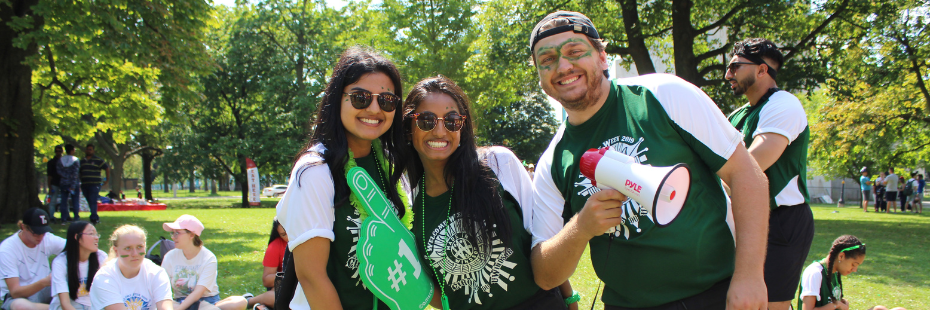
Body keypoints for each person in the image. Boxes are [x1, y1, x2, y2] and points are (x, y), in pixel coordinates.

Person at [527, 11, 769, 310]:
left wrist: (749, 276)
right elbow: (545, 275)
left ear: (602, 57)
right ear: (540, 75)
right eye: (547, 60)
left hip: (713, 295)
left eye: (575, 51)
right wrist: (582, 227)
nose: (563, 66)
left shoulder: (663, 94)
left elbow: (747, 174)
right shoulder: (553, 162)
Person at [402, 76, 574, 309]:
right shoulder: (408, 202)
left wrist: (570, 299)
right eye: (426, 120)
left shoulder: (497, 163)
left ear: (463, 127)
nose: (440, 130)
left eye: (452, 120)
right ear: (409, 128)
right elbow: (431, 286)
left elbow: (541, 239)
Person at [276, 47, 410, 310]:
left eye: (386, 100)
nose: (374, 109)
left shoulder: (390, 167)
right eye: (360, 97)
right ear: (338, 99)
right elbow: (312, 278)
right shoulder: (316, 171)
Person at [725, 38, 815, 310]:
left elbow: (751, 165)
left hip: (782, 220)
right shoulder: (738, 115)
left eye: (735, 66)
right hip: (745, 218)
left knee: (771, 304)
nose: (728, 74)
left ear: (762, 70)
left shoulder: (784, 104)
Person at [160, 215, 246, 310]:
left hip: (206, 302)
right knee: (160, 304)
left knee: (240, 301)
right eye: (173, 233)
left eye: (177, 233)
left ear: (191, 235)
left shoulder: (208, 258)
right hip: (180, 301)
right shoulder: (170, 256)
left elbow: (198, 293)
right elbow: (161, 286)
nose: (173, 237)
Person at [89, 225, 172, 310]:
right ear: (116, 251)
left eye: (140, 247)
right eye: (128, 248)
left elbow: (165, 306)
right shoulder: (104, 277)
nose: (135, 253)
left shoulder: (156, 273)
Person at [1, 208, 67, 310]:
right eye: (36, 232)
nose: (40, 236)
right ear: (23, 227)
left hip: (46, 290)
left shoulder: (47, 238)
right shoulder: (7, 249)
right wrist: (44, 282)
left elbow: (75, 248)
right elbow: (15, 292)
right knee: (20, 306)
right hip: (19, 296)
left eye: (43, 232)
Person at [49, 222, 108, 310]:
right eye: (91, 234)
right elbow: (65, 304)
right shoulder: (60, 262)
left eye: (96, 234)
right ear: (77, 238)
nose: (96, 238)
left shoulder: (101, 257)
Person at [798, 235, 866, 310]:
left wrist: (841, 303)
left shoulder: (835, 273)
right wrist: (835, 305)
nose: (855, 270)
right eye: (853, 264)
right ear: (841, 256)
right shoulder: (814, 273)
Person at [245, 220, 288, 310]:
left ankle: (263, 307)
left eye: (291, 231)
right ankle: (249, 301)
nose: (289, 236)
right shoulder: (275, 246)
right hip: (284, 286)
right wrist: (291, 275)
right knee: (278, 298)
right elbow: (267, 280)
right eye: (284, 234)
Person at [79, 145, 109, 225]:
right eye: (87, 149)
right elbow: (79, 172)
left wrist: (107, 180)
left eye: (90, 149)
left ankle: (94, 218)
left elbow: (107, 168)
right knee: (89, 200)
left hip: (94, 184)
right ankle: (94, 215)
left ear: (93, 151)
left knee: (93, 200)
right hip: (85, 184)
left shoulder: (98, 160)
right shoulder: (82, 161)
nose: (89, 151)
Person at [58, 144, 82, 223]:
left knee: (64, 201)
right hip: (73, 184)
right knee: (75, 201)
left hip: (63, 183)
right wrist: (72, 184)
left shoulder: (61, 160)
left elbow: (59, 171)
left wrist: (65, 176)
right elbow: (75, 173)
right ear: (72, 150)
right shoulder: (75, 160)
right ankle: (76, 218)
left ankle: (63, 219)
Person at [48, 146, 64, 223]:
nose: (58, 152)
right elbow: (49, 175)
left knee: (64, 201)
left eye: (59, 151)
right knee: (53, 201)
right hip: (55, 183)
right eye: (57, 151)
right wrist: (49, 186)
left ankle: (65, 216)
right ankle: (51, 216)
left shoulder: (65, 162)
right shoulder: (51, 162)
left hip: (64, 183)